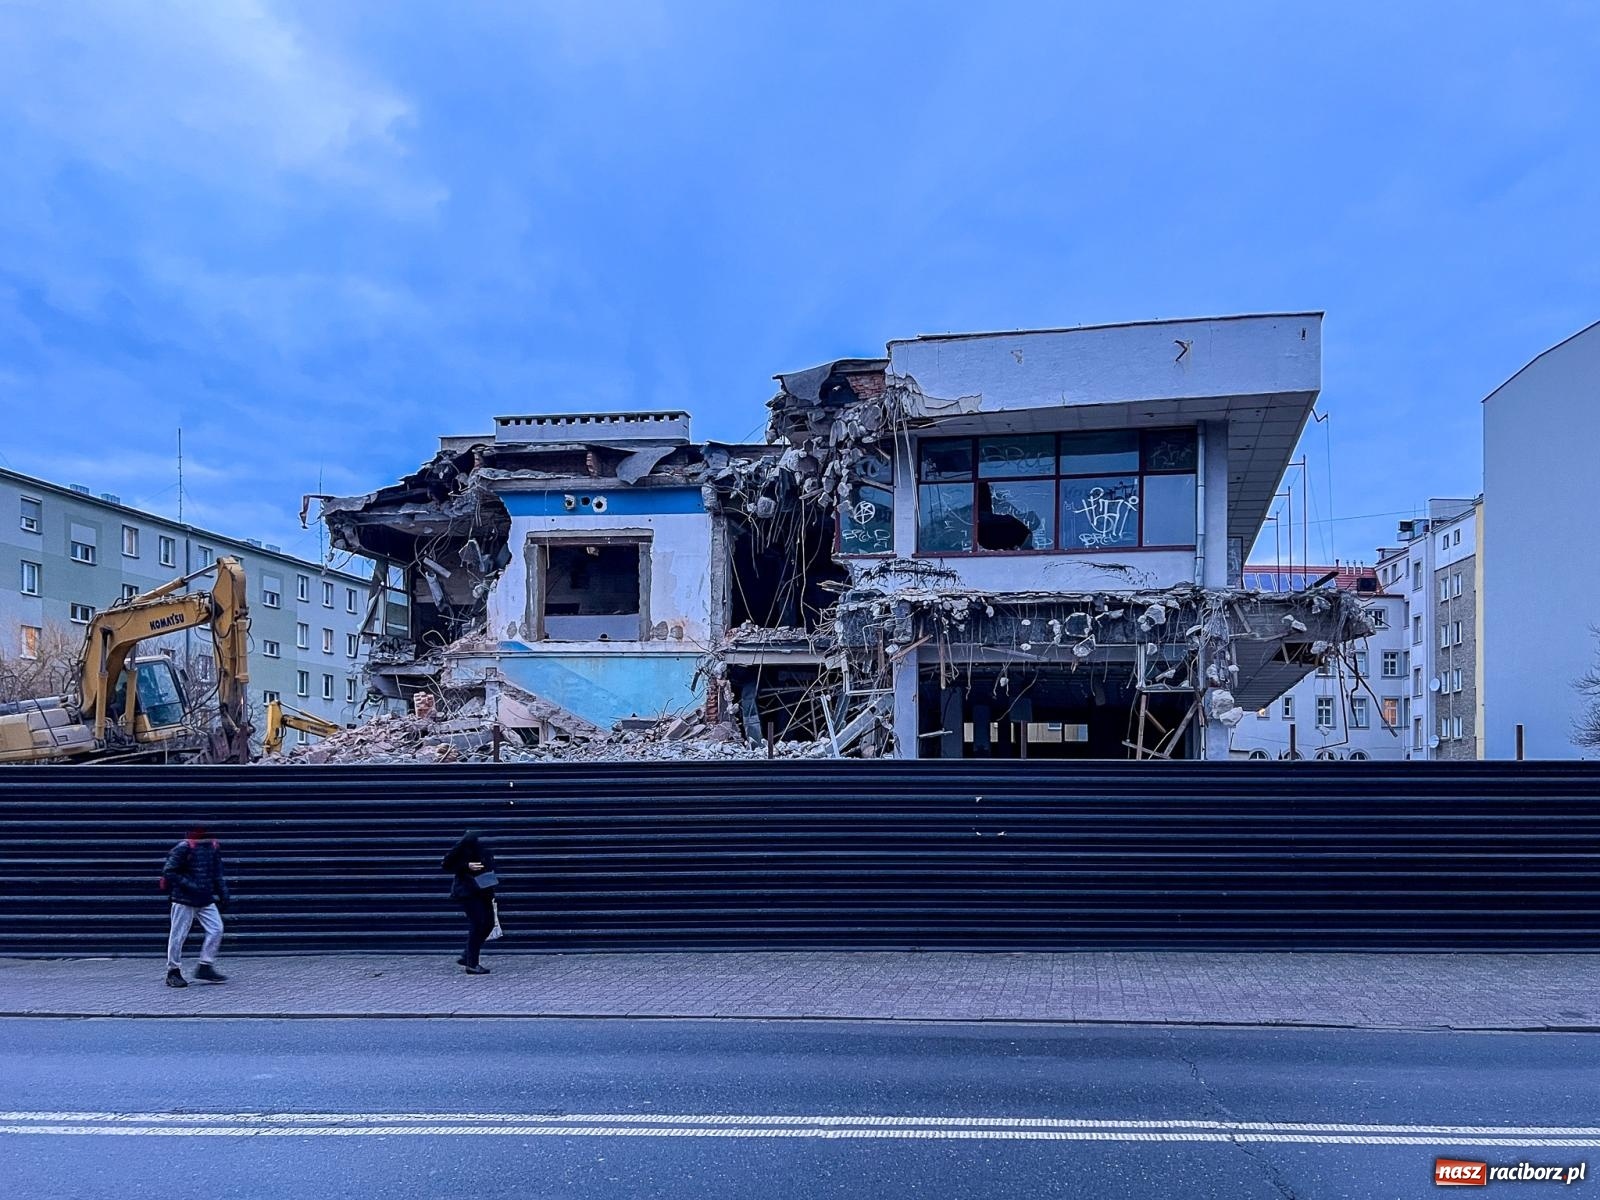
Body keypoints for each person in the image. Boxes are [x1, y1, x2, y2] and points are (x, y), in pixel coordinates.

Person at [161, 824, 231, 988]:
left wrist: (223, 894)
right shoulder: (183, 847)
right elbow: (169, 871)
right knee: (178, 935)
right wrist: (191, 885)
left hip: (204, 898)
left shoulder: (212, 846)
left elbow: (216, 873)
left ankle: (205, 965)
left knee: (216, 929)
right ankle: (173, 971)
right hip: (183, 899)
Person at [441, 829, 497, 975]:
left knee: (489, 923)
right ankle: (472, 964)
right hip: (468, 890)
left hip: (484, 888)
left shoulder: (487, 844)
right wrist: (466, 866)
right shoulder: (466, 843)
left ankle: (467, 955)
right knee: (478, 924)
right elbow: (446, 864)